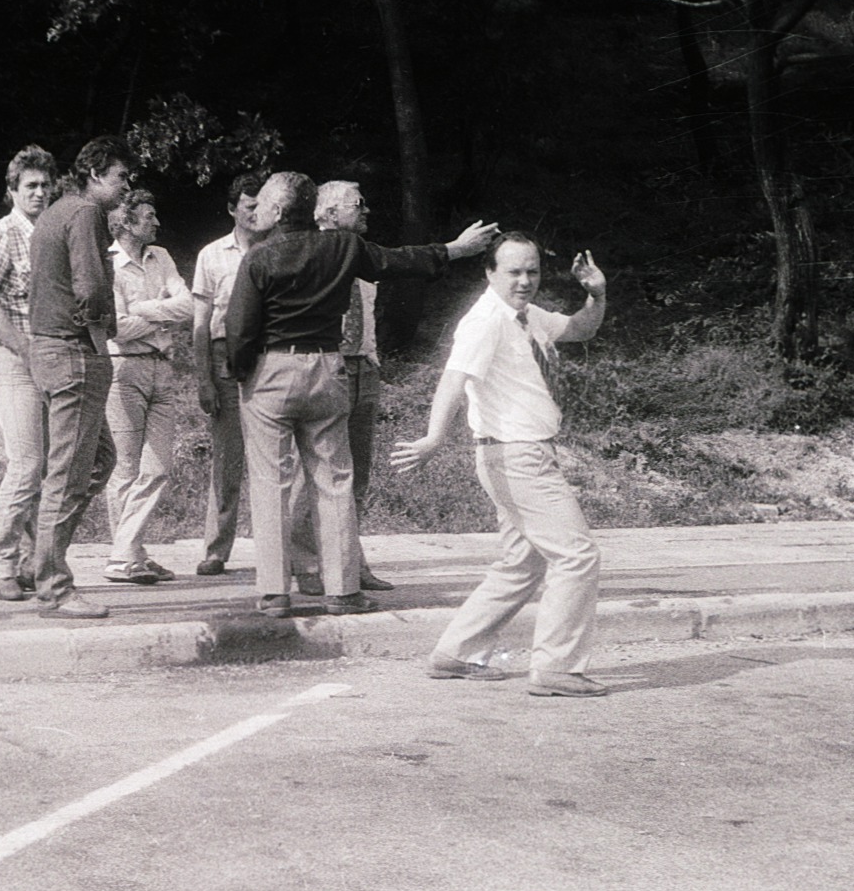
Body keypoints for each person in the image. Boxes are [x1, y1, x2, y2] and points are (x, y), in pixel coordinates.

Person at [224, 171, 497, 618]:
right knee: (334, 482)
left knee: (271, 484)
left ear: (276, 211)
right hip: (328, 367)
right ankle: (343, 591)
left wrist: (243, 373)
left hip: (271, 371)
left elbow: (239, 329)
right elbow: (398, 261)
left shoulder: (258, 256)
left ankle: (275, 593)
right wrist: (452, 249)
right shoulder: (344, 247)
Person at [390, 232, 610, 698]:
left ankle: (457, 652)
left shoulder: (526, 316)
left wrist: (596, 293)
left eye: (532, 270)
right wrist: (433, 437)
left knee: (522, 562)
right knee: (577, 555)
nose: (525, 280)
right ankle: (557, 667)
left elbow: (579, 329)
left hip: (522, 452)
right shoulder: (485, 321)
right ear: (489, 273)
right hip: (516, 456)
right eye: (513, 272)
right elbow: (454, 379)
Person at [27, 135, 133, 618]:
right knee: (69, 474)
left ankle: (39, 556)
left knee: (98, 460)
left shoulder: (52, 213)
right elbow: (90, 288)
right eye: (120, 177)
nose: (126, 187)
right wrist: (103, 331)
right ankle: (53, 585)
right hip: (74, 353)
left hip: (50, 352)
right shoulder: (86, 214)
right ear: (94, 174)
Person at [289, 181, 398, 595]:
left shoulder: (364, 260)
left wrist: (371, 359)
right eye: (358, 203)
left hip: (362, 369)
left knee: (357, 475)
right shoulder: (309, 254)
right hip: (324, 367)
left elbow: (367, 317)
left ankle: (351, 563)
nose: (367, 209)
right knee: (312, 472)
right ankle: (306, 564)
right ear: (329, 214)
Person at [0, 145, 57, 602]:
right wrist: (25, 349)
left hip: (58, 363)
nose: (40, 193)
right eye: (30, 186)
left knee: (88, 462)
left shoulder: (54, 234)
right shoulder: (0, 235)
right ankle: (0, 566)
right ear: (12, 191)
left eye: (45, 185)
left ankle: (34, 560)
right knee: (26, 466)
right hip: (14, 360)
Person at [102, 189, 191, 584]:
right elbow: (115, 330)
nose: (157, 223)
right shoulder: (108, 263)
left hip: (161, 368)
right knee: (124, 467)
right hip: (123, 370)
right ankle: (130, 556)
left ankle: (124, 552)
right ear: (126, 222)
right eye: (149, 216)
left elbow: (188, 306)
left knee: (158, 466)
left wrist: (140, 311)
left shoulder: (163, 257)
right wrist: (160, 315)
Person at [190, 171, 266, 577]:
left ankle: (278, 548)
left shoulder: (276, 249)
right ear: (232, 209)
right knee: (228, 460)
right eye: (249, 205)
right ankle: (217, 549)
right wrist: (203, 379)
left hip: (268, 359)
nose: (256, 213)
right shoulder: (211, 255)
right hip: (222, 359)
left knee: (276, 460)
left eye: (261, 205)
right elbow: (201, 324)